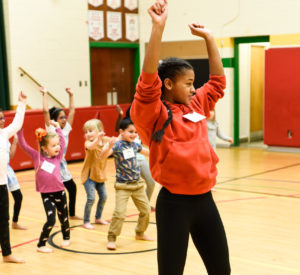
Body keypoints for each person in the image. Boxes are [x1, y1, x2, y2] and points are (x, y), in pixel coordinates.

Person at [130, 1, 231, 274]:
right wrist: (157, 28)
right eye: (188, 83)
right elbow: (147, 82)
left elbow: (218, 82)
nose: (193, 87)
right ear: (168, 84)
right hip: (174, 205)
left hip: (205, 201)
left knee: (221, 269)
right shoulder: (154, 113)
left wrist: (209, 37)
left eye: (194, 82)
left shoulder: (196, 105)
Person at [17, 120, 71, 253]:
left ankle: (66, 237)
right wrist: (19, 130)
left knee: (63, 217)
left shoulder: (58, 157)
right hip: (46, 194)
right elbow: (24, 145)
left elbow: (63, 143)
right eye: (54, 145)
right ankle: (41, 244)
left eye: (57, 144)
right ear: (44, 148)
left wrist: (58, 128)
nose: (58, 147)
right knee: (51, 219)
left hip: (60, 192)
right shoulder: (37, 157)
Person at [106, 118, 153, 250]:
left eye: (136, 132)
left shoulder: (134, 145)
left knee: (146, 210)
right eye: (130, 131)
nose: (134, 134)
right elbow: (102, 156)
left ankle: (139, 233)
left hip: (137, 185)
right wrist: (109, 146)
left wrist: (162, 153)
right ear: (121, 132)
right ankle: (112, 238)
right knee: (120, 213)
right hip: (123, 186)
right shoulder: (117, 145)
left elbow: (147, 152)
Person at [41, 86, 81, 220]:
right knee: (55, 191)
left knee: (72, 188)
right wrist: (45, 94)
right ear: (54, 120)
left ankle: (72, 214)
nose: (64, 119)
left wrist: (71, 95)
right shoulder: (51, 128)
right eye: (60, 117)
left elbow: (73, 112)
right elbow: (45, 111)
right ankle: (54, 214)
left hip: (62, 164)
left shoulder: (66, 129)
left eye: (64, 117)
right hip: (52, 164)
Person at [0, 92, 26, 263]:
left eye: (2, 117)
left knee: (4, 220)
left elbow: (17, 123)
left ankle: (7, 253)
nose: (2, 120)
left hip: (2, 185)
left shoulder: (4, 134)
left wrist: (22, 103)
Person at [115, 104, 156, 207]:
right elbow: (118, 128)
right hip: (127, 161)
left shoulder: (141, 125)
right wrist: (120, 115)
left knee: (151, 182)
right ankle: (143, 205)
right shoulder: (126, 127)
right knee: (129, 187)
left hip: (140, 159)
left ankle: (145, 204)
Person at [81, 119, 113, 229]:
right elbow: (91, 147)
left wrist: (114, 143)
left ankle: (98, 217)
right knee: (91, 198)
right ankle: (86, 221)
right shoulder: (88, 143)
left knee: (104, 197)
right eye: (86, 132)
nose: (87, 134)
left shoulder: (105, 140)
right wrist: (98, 138)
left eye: (90, 131)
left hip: (100, 175)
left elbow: (114, 145)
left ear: (99, 130)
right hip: (89, 176)